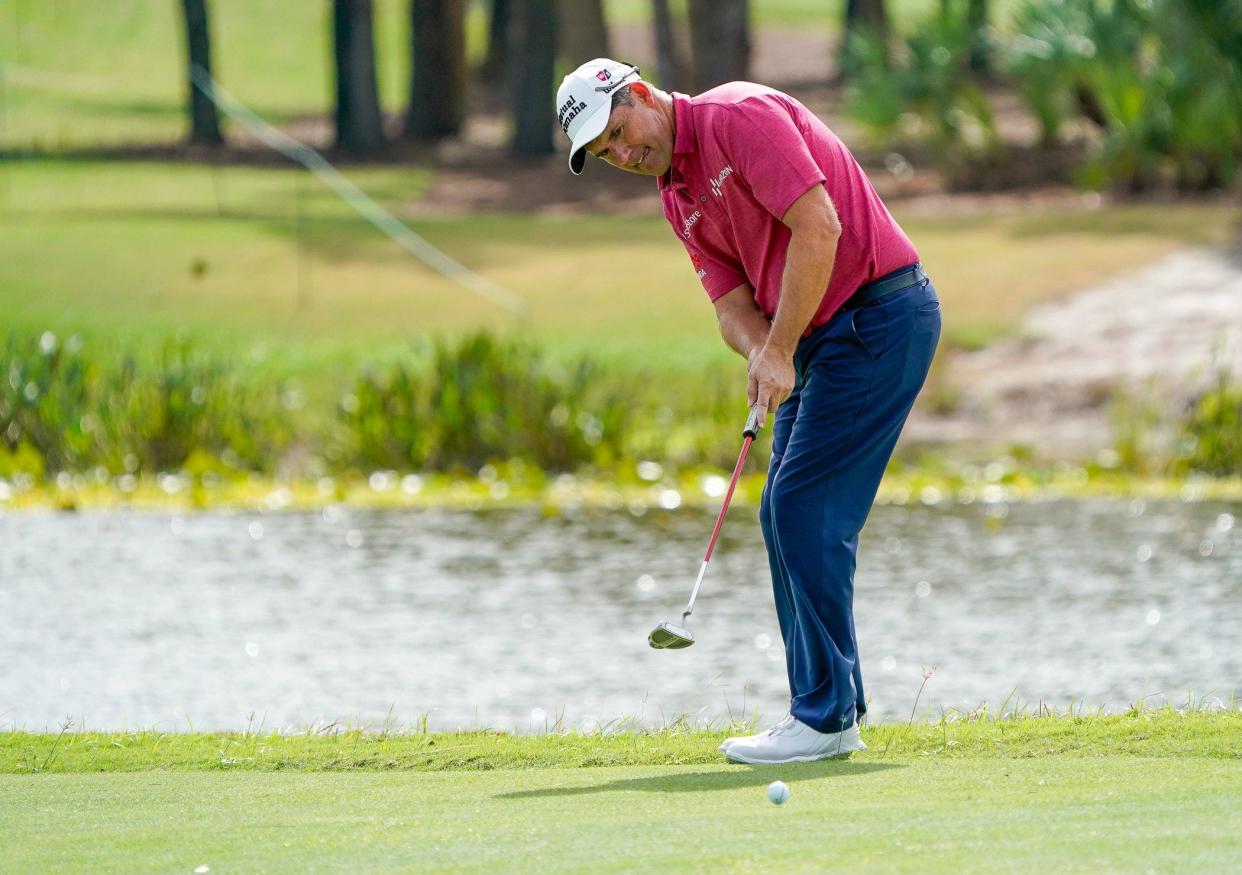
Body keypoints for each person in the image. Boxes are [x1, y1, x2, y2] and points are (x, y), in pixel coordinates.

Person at [556, 59, 941, 764]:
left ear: (641, 94)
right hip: (825, 338)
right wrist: (763, 348)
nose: (624, 154)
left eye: (620, 132)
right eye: (607, 153)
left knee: (800, 507)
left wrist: (781, 346)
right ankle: (832, 708)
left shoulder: (738, 116)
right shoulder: (677, 197)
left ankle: (823, 716)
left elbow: (817, 227)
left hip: (878, 317)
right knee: (783, 513)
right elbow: (729, 306)